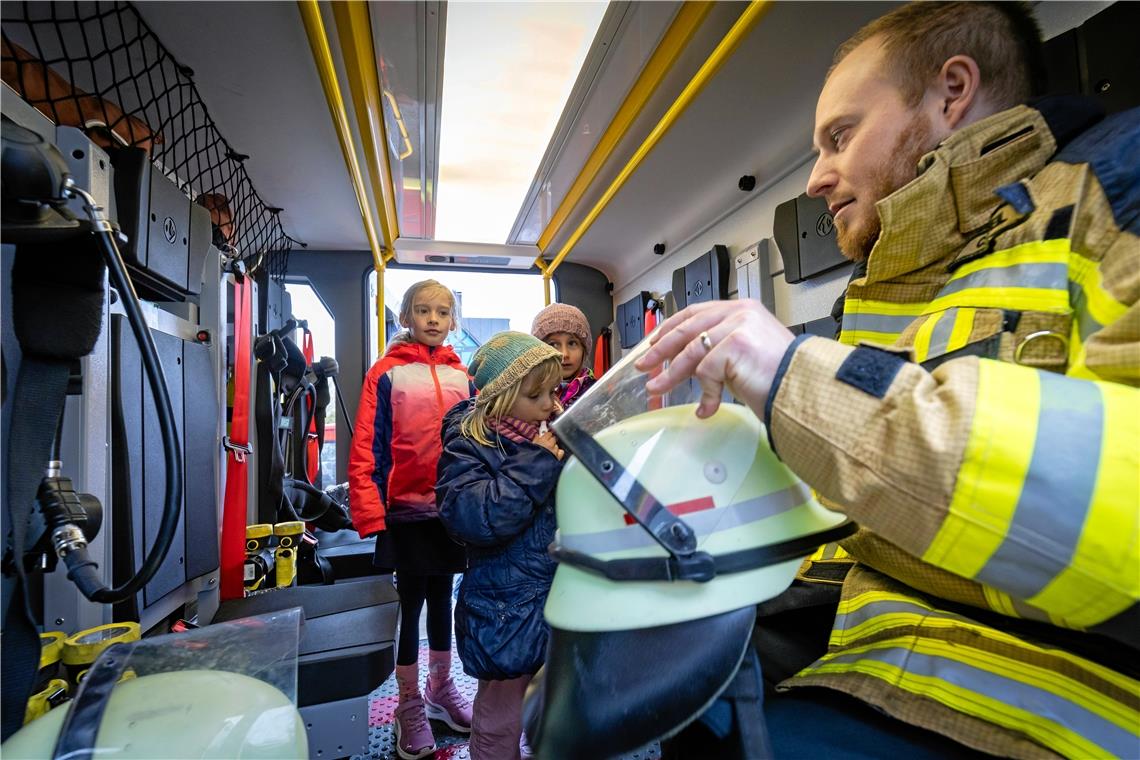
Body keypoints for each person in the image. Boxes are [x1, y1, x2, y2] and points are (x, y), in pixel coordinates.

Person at [637, 2, 1140, 757]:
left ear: (952, 92)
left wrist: (790, 377)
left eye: (840, 136)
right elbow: (857, 500)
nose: (815, 179)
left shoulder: (1117, 195)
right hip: (854, 657)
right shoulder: (876, 285)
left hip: (1039, 707)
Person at [348, 279, 474, 760]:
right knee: (411, 603)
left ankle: (441, 689)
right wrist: (371, 511)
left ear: (453, 320)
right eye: (424, 310)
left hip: (451, 510)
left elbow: (474, 441)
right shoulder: (386, 373)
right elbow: (367, 446)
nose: (435, 320)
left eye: (444, 312)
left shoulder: (464, 376)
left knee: (444, 596)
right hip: (404, 510)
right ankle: (408, 703)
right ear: (407, 317)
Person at [436, 332, 565, 760]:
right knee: (499, 716)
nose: (550, 403)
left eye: (554, 391)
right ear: (502, 398)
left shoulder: (549, 436)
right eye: (537, 395)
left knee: (554, 707)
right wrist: (538, 463)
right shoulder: (469, 445)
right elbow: (476, 518)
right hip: (503, 604)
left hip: (557, 594)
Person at [530, 302, 596, 409]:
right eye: (553, 344)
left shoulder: (597, 393)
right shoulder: (526, 394)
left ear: (584, 349)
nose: (564, 354)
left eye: (572, 343)